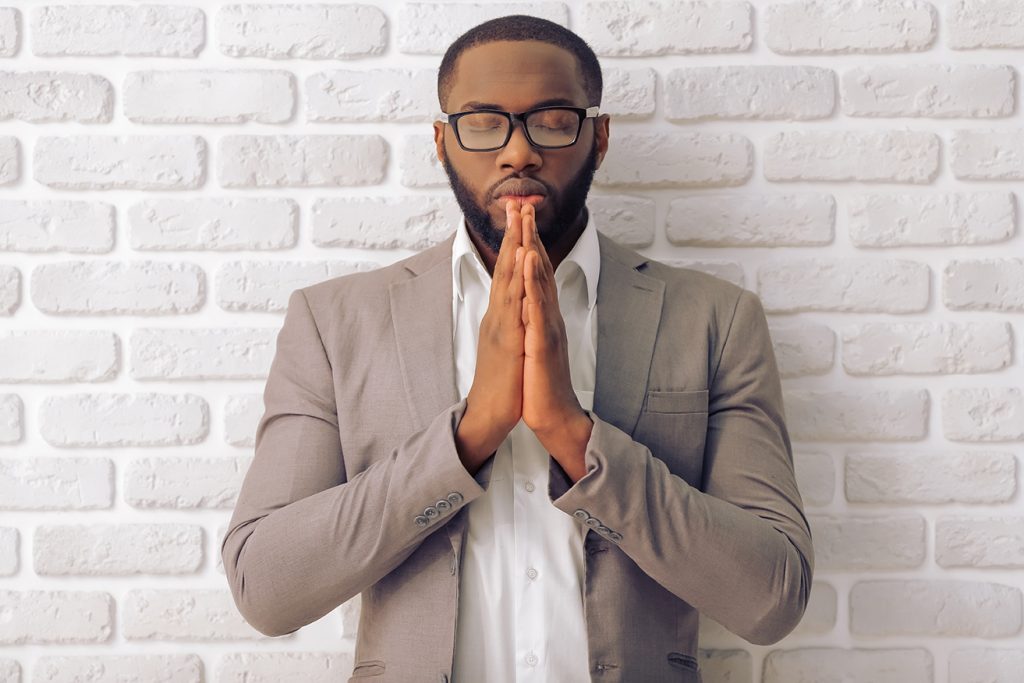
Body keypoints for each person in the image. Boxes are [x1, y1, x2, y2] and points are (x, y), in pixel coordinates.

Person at [222, 14, 813, 683]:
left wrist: (573, 434)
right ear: (442, 142)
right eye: (482, 121)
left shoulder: (714, 318)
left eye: (553, 119)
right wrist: (469, 434)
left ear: (600, 137)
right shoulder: (335, 322)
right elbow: (266, 589)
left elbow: (772, 598)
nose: (518, 151)